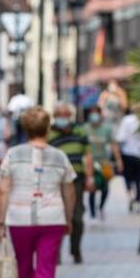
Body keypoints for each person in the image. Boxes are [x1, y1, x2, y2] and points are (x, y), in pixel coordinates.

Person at [0, 107, 76, 278]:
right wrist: (68, 219)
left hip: (19, 219)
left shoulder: (13, 154)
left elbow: (2, 189)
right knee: (46, 266)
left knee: (23, 265)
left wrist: (1, 222)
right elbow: (70, 191)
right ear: (48, 128)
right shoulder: (59, 156)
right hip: (53, 218)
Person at [48, 103, 95, 264]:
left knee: (77, 217)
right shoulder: (49, 133)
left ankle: (76, 250)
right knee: (56, 217)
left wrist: (90, 177)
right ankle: (56, 253)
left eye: (66, 114)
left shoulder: (79, 131)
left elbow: (88, 155)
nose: (63, 118)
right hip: (55, 181)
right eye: (59, 115)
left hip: (76, 180)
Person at [82, 106, 123, 220]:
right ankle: (93, 213)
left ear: (100, 115)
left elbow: (113, 145)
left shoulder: (106, 129)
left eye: (96, 113)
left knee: (105, 188)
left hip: (103, 162)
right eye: (92, 114)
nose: (94, 116)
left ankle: (100, 207)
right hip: (90, 163)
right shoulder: (85, 129)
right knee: (92, 187)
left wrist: (118, 160)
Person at [115, 107, 140, 212]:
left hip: (129, 154)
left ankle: (131, 196)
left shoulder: (127, 120)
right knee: (139, 179)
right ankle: (136, 200)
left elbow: (120, 138)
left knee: (129, 178)